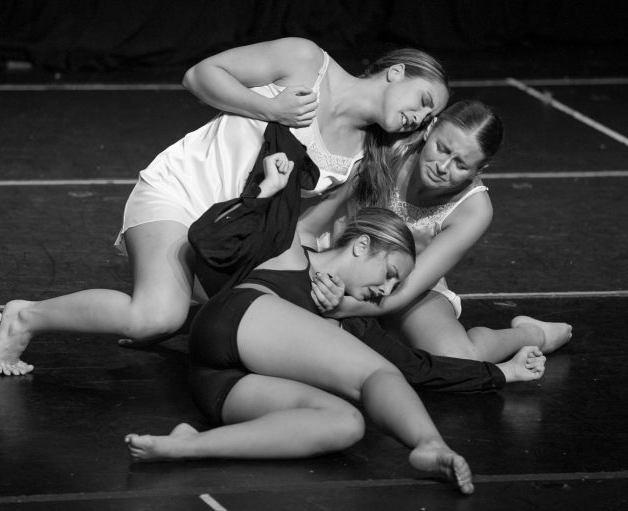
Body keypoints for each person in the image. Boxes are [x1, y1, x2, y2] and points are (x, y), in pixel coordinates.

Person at [0, 37, 450, 376]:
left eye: (428, 118)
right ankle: (26, 315)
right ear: (396, 72)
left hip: (232, 234)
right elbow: (199, 76)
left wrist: (322, 285)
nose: (419, 116)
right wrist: (270, 109)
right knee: (155, 318)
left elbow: (302, 230)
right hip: (183, 194)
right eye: (423, 100)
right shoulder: (307, 61)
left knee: (272, 327)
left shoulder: (359, 155)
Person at [125, 206, 546, 495]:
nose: (386, 291)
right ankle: (430, 445)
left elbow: (416, 366)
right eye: (390, 274)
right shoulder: (295, 252)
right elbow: (211, 236)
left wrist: (500, 373)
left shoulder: (349, 316)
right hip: (235, 317)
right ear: (362, 245)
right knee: (375, 376)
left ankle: (187, 445)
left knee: (345, 424)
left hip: (217, 384)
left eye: (394, 288)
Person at [323, 100, 572, 363]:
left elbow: (407, 288)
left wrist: (342, 307)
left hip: (406, 284)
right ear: (430, 128)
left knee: (457, 358)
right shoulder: (392, 148)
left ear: (480, 169)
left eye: (461, 165)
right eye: (442, 149)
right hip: (343, 257)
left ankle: (531, 334)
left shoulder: (473, 209)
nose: (442, 167)